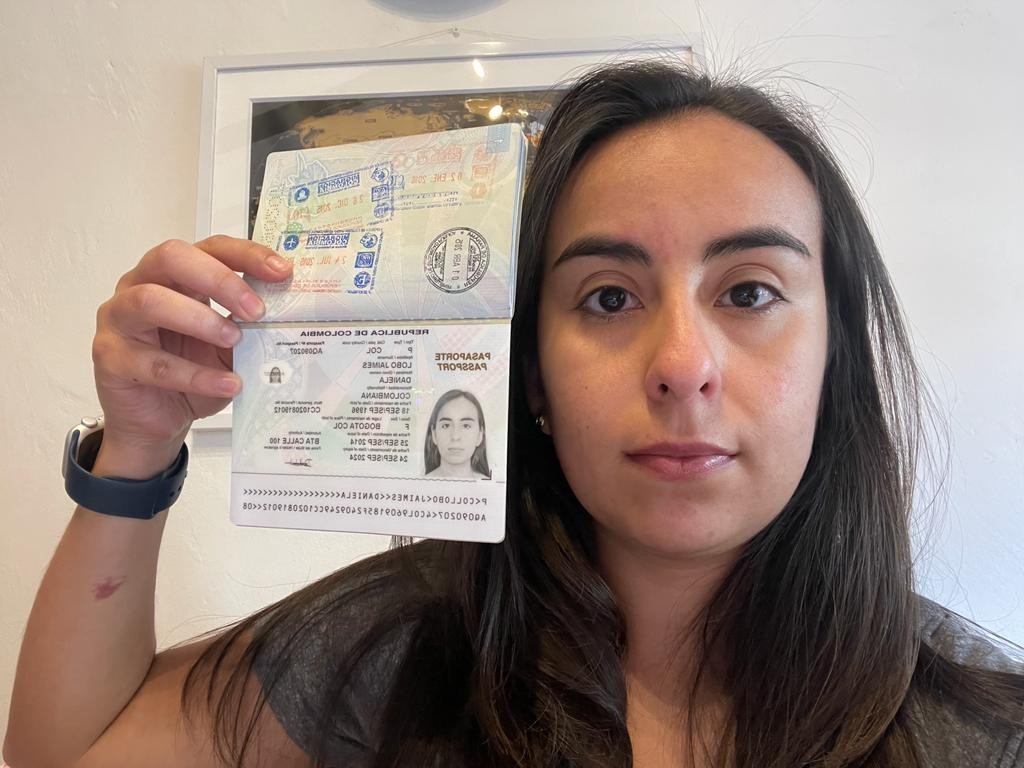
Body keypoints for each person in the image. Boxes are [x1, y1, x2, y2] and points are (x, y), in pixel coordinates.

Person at [5, 59, 1024, 768]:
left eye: (749, 291)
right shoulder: (400, 648)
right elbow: (66, 751)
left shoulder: (985, 727)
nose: (682, 366)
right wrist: (137, 447)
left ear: (835, 352)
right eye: (608, 299)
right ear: (531, 376)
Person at [423, 389, 491, 479]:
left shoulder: (490, 485)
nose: (455, 437)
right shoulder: (418, 485)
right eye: (446, 426)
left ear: (480, 435)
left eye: (466, 426)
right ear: (434, 434)